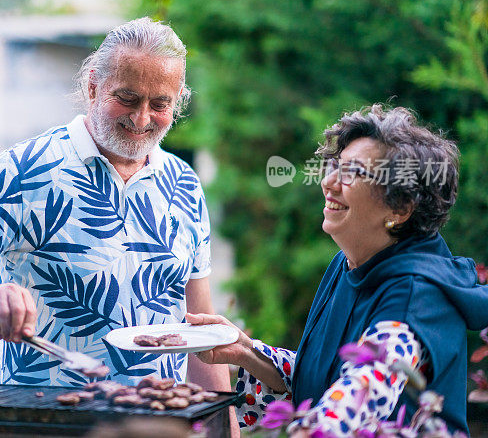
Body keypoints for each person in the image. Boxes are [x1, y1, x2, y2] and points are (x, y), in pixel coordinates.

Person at [0, 18, 231, 394]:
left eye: (160, 104)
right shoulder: (25, 170)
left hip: (154, 423)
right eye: (126, 98)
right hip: (39, 422)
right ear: (93, 86)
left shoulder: (184, 183)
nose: (141, 118)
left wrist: (224, 426)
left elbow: (201, 333)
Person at [186, 104, 488, 435]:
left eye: (354, 173)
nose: (329, 182)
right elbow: (325, 381)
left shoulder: (418, 296)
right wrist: (245, 351)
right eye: (335, 166)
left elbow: (360, 393)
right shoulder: (349, 263)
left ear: (400, 207)